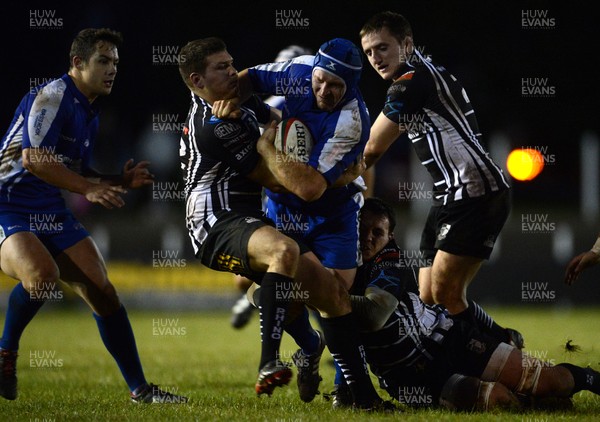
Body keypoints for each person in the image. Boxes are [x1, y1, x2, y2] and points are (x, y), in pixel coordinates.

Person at [178, 37, 387, 409]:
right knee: (284, 261)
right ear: (197, 80)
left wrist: (273, 142)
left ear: (352, 85)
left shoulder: (352, 120)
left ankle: (356, 394)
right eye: (221, 68)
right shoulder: (220, 121)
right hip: (221, 219)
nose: (232, 73)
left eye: (231, 64)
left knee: (334, 294)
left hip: (327, 211)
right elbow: (280, 177)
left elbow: (305, 183)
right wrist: (269, 147)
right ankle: (277, 358)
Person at [0, 28, 186, 403]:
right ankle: (6, 355)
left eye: (116, 62)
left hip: (49, 207)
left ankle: (141, 390)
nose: (112, 69)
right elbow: (33, 160)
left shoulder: (89, 110)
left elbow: (73, 169)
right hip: (7, 203)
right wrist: (88, 189)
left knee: (103, 291)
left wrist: (118, 179)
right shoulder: (52, 96)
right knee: (42, 277)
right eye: (103, 61)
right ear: (77, 63)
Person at [345, 197, 600, 410]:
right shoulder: (342, 267)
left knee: (553, 382)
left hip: (451, 340)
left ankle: (590, 378)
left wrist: (496, 332)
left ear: (390, 237)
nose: (367, 238)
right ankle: (534, 401)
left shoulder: (391, 263)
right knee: (500, 401)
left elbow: (374, 314)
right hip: (412, 378)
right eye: (362, 230)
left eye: (377, 232)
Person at [359, 12, 520, 346]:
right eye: (369, 52)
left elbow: (371, 149)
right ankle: (504, 341)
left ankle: (506, 359)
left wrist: (322, 180)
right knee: (429, 297)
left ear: (406, 44)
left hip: (475, 192)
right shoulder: (424, 76)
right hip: (450, 195)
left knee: (446, 294)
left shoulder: (411, 81)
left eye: (382, 48)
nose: (375, 58)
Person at [230, 44, 313, 330]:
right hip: (301, 201)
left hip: (282, 202)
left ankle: (259, 302)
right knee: (322, 284)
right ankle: (319, 347)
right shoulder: (300, 106)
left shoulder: (261, 105)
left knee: (256, 276)